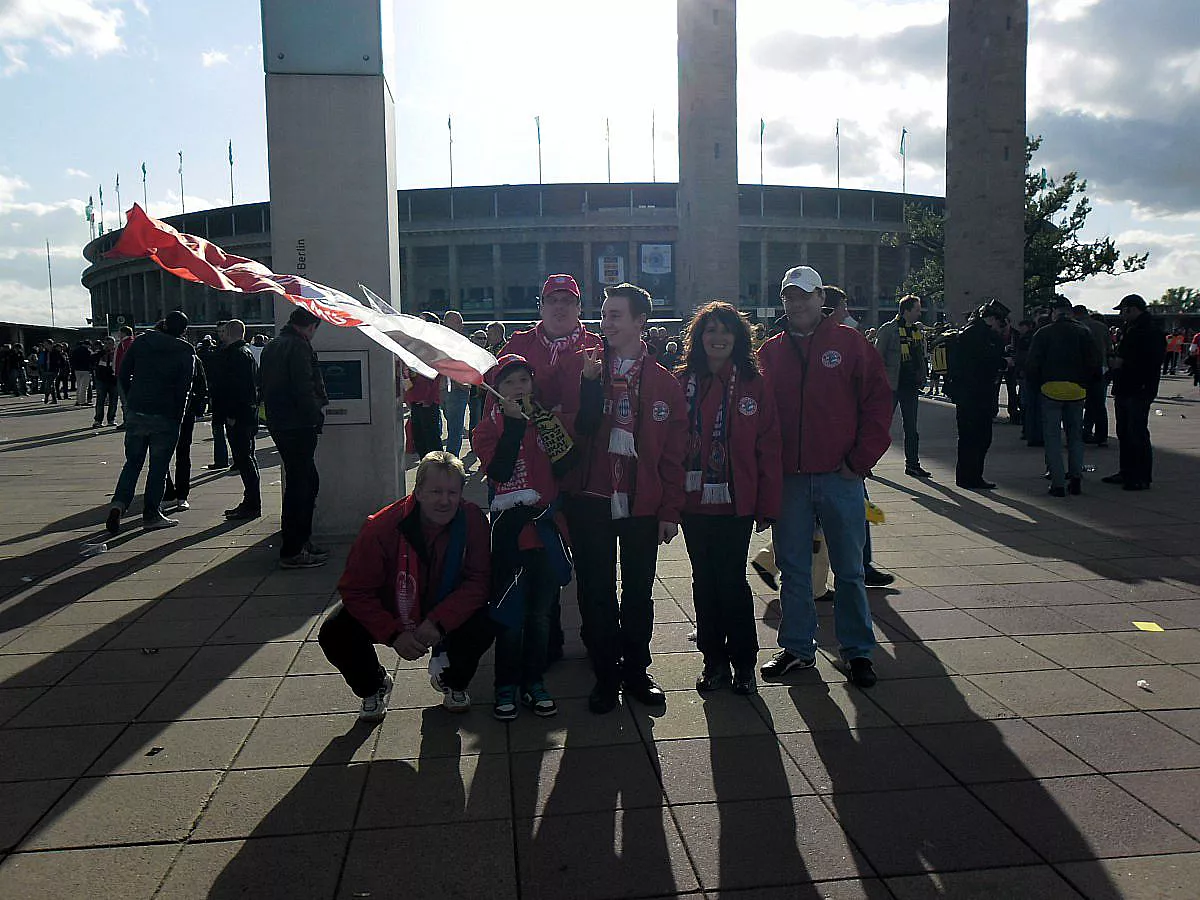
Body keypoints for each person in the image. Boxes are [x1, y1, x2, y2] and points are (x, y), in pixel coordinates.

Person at [757, 266, 892, 689]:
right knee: (794, 569)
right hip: (791, 480)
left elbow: (878, 404)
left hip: (840, 476)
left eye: (804, 295)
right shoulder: (771, 352)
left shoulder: (850, 344)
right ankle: (798, 648)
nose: (796, 304)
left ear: (821, 299)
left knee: (850, 570)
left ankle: (858, 652)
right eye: (789, 297)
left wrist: (859, 461)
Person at [563, 282, 688, 713]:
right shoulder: (586, 365)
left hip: (642, 501)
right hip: (591, 497)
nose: (606, 322)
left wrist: (670, 509)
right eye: (605, 313)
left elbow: (675, 454)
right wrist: (589, 385)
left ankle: (636, 668)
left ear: (640, 321)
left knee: (638, 590)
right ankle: (605, 673)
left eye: (616, 314)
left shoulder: (663, 383)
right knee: (596, 589)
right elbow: (575, 431)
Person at [318, 452, 494, 720]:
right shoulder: (381, 527)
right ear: (418, 491)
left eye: (452, 492)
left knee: (487, 619)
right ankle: (374, 684)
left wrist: (440, 621)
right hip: (393, 606)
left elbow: (479, 581)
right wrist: (394, 634)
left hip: (444, 604)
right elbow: (356, 590)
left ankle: (453, 681)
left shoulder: (472, 520)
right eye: (435, 491)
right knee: (334, 631)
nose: (444, 501)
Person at [675, 302, 781, 696]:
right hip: (692, 501)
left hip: (736, 502)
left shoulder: (755, 383)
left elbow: (768, 445)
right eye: (710, 331)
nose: (717, 338)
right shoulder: (682, 381)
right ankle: (713, 661)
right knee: (704, 581)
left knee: (732, 582)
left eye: (726, 331)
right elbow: (670, 443)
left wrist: (768, 504)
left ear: (738, 338)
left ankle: (744, 663)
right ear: (698, 338)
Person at [500, 273, 603, 661]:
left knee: (592, 557)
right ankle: (548, 637)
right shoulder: (518, 344)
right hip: (535, 472)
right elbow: (499, 396)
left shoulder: (597, 345)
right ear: (540, 306)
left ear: (579, 308)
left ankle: (597, 637)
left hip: (584, 469)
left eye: (568, 301)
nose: (560, 307)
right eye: (552, 300)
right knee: (540, 554)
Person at [473, 354, 577, 719]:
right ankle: (505, 685)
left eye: (524, 381)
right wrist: (514, 427)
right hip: (510, 539)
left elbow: (566, 468)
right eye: (509, 383)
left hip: (546, 534)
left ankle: (534, 682)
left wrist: (548, 429)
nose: (519, 388)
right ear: (495, 392)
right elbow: (499, 470)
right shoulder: (486, 430)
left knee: (540, 616)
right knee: (509, 617)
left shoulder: (546, 422)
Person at [104, 311, 197, 535]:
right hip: (166, 415)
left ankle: (119, 503)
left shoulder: (142, 342)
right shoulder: (185, 351)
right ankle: (151, 514)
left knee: (133, 463)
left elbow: (123, 374)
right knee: (158, 467)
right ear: (183, 331)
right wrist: (178, 417)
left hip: (138, 410)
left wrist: (130, 402)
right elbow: (185, 389)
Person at [260, 306, 329, 568]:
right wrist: (315, 417)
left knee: (303, 482)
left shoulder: (273, 345)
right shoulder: (299, 347)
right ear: (310, 326)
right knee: (303, 486)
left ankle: (300, 541)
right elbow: (303, 387)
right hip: (299, 424)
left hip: (280, 423)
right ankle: (294, 548)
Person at [1027, 297, 1101, 497]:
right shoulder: (1084, 332)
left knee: (1052, 438)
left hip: (1050, 389)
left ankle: (1058, 483)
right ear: (1070, 312)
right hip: (1077, 390)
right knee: (1075, 436)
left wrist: (1036, 385)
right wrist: (1086, 383)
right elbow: (1094, 361)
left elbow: (1033, 363)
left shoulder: (1043, 333)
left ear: (1053, 313)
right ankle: (1076, 477)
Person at [1102, 294, 1166, 492]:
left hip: (1139, 388)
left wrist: (1123, 363)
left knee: (1137, 432)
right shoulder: (1130, 329)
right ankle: (1127, 471)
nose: (1122, 315)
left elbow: (1152, 361)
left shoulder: (1150, 331)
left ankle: (1140, 476)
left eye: (1123, 310)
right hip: (1125, 386)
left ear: (1132, 309)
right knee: (1124, 431)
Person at [948, 301, 1009, 489]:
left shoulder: (968, 331)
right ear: (992, 318)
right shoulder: (981, 334)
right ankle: (972, 476)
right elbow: (986, 362)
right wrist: (1004, 362)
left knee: (968, 437)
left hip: (966, 393)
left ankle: (966, 476)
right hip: (977, 394)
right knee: (979, 437)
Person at [207, 319, 261, 520]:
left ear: (229, 333)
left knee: (244, 458)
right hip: (245, 414)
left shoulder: (236, 355)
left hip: (238, 416)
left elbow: (236, 388)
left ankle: (252, 503)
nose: (220, 335)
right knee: (246, 458)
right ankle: (251, 501)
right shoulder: (244, 353)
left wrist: (231, 415)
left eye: (223, 332)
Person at [873, 295, 930, 478]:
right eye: (917, 310)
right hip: (891, 385)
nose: (919, 313)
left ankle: (912, 464)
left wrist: (922, 376)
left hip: (910, 386)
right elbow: (877, 357)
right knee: (880, 426)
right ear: (906, 310)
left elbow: (920, 357)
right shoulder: (889, 330)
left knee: (912, 428)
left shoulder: (916, 332)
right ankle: (866, 462)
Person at [163, 347, 208, 511]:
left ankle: (176, 493)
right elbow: (202, 386)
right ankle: (176, 494)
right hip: (175, 412)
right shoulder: (191, 358)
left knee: (171, 454)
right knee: (178, 454)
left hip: (172, 413)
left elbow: (201, 385)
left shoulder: (192, 358)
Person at [1073, 305, 1113, 447]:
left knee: (1077, 404)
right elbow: (1109, 348)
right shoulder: (1102, 327)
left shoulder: (1077, 327)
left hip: (1082, 369)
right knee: (1098, 404)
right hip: (1101, 368)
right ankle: (1101, 435)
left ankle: (1082, 432)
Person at [200, 325, 232, 472]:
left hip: (227, 397)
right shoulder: (218, 350)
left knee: (230, 431)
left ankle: (229, 459)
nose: (221, 335)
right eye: (219, 332)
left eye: (223, 331)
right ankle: (221, 459)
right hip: (218, 395)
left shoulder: (231, 351)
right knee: (218, 429)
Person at [440, 310, 471, 456]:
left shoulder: (462, 341)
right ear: (446, 323)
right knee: (453, 426)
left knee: (455, 428)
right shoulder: (440, 340)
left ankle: (452, 459)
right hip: (446, 388)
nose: (461, 325)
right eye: (458, 321)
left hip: (458, 390)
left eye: (461, 321)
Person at [91, 337, 119, 427]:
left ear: (114, 344)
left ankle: (111, 419)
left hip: (113, 380)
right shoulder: (99, 353)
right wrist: (102, 352)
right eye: (106, 343)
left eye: (110, 343)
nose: (108, 345)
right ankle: (98, 420)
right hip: (101, 380)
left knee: (113, 401)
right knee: (100, 400)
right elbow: (92, 360)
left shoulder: (116, 353)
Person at [113, 324, 135, 428]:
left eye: (120, 332)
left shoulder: (124, 343)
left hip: (122, 374)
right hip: (129, 374)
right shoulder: (133, 342)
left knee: (125, 399)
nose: (118, 334)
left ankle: (128, 421)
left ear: (124, 333)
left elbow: (122, 359)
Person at [71, 340, 93, 407]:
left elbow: (72, 359)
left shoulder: (75, 350)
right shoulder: (88, 351)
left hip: (77, 370)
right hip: (86, 370)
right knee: (84, 386)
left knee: (79, 385)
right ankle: (83, 401)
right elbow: (91, 360)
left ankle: (78, 400)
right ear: (88, 345)